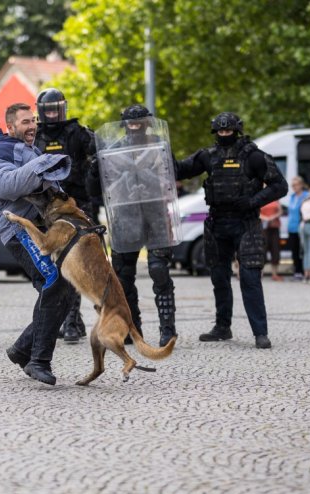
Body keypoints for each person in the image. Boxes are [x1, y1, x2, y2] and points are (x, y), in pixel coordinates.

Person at [0, 102, 73, 385]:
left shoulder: (28, 150)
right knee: (53, 281)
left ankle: (22, 350)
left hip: (39, 229)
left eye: (33, 121)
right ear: (10, 126)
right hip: (18, 231)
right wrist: (43, 164)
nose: (32, 126)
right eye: (25, 122)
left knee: (64, 290)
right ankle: (38, 360)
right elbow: (8, 186)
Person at [176, 111, 288, 349]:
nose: (224, 134)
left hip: (246, 223)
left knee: (249, 278)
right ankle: (222, 327)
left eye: (228, 131)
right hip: (217, 224)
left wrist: (253, 201)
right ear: (215, 132)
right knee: (219, 278)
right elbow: (180, 170)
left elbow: (280, 186)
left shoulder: (254, 157)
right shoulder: (208, 156)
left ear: (237, 131)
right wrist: (160, 153)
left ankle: (260, 332)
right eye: (220, 131)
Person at [89, 104, 179, 347]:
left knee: (159, 270)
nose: (135, 124)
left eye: (140, 120)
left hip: (156, 215)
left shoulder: (159, 145)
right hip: (126, 216)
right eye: (131, 121)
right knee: (123, 277)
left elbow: (173, 175)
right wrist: (94, 170)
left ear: (148, 122)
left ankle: (167, 329)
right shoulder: (113, 149)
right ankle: (131, 328)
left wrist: (150, 175)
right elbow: (97, 189)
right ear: (124, 123)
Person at [34, 87, 98, 342]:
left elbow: (99, 153)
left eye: (55, 109)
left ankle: (72, 319)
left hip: (77, 205)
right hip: (45, 209)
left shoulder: (78, 133)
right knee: (50, 265)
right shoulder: (34, 136)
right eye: (47, 110)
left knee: (76, 263)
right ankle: (60, 319)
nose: (51, 114)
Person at [286, 176, 309, 280]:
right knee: (294, 250)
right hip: (292, 227)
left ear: (301, 185)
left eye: (295, 185)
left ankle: (305, 271)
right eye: (292, 185)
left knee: (303, 250)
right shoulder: (292, 197)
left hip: (301, 227)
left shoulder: (306, 196)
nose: (294, 187)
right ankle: (297, 271)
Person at [259, 199, 283, 281]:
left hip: (274, 228)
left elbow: (280, 211)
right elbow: (257, 213)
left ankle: (274, 274)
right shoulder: (261, 199)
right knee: (263, 250)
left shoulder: (276, 200)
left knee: (275, 250)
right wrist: (265, 217)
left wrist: (274, 216)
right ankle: (260, 273)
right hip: (264, 228)